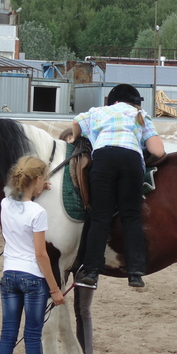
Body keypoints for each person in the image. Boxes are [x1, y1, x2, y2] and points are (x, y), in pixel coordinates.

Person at [72, 83, 165, 289]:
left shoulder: (98, 112)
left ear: (113, 101)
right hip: (131, 159)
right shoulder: (140, 115)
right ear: (135, 103)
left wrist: (75, 136)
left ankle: (91, 271)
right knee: (131, 216)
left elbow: (76, 124)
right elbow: (158, 151)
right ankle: (135, 272)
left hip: (104, 157)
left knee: (100, 216)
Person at [0, 156, 65, 354]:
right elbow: (41, 254)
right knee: (33, 338)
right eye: (43, 179)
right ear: (36, 180)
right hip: (33, 278)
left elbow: (18, 198)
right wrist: (55, 289)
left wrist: (37, 188)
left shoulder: (5, 204)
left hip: (9, 275)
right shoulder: (38, 213)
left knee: (7, 336)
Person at [58, 128, 111, 354]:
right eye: (69, 144)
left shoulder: (93, 176)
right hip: (64, 250)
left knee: (83, 310)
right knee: (60, 310)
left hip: (86, 253)